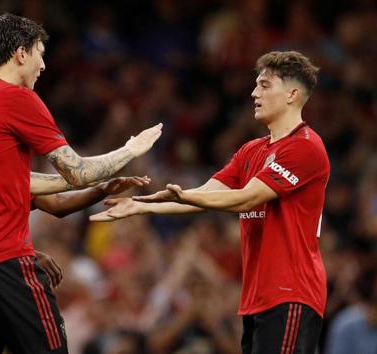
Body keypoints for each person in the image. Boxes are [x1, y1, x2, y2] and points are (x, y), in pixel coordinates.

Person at [0, 14, 162, 354]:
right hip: (1, 258)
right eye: (40, 53)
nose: (43, 65)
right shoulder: (15, 98)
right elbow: (78, 172)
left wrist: (101, 190)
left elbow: (9, 182)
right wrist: (131, 149)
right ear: (21, 54)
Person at [92, 51, 329, 354]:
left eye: (265, 85)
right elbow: (205, 194)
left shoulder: (305, 147)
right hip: (257, 297)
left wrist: (187, 196)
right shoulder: (251, 151)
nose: (254, 92)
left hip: (292, 292)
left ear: (292, 94)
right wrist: (143, 206)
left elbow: (247, 198)